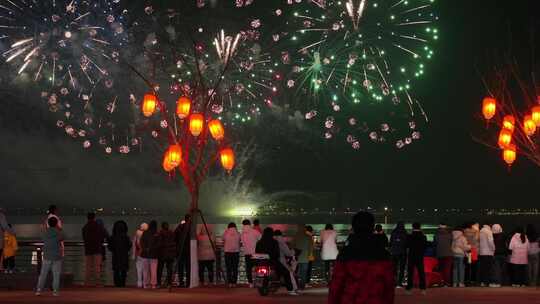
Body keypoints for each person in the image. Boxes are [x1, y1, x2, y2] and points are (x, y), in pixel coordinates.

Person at [328, 212, 394, 304]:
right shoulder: (383, 254)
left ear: (353, 227)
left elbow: (336, 285)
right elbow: (389, 286)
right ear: (373, 227)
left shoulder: (345, 253)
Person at [256, 227, 297, 296]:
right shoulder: (274, 242)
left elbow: (256, 252)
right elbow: (277, 254)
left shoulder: (259, 242)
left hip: (261, 263)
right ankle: (290, 290)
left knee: (265, 275)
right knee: (286, 272)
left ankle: (265, 287)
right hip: (272, 262)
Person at [35, 217, 64, 296]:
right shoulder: (59, 232)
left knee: (43, 274)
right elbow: (63, 237)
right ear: (56, 223)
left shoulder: (44, 232)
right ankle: (55, 291)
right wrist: (59, 228)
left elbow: (42, 237)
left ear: (48, 223)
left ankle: (39, 290)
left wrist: (45, 227)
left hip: (47, 255)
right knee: (56, 275)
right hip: (57, 256)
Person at [82, 212, 107, 287]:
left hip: (88, 249)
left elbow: (84, 238)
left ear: (87, 218)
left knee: (88, 267)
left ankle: (87, 282)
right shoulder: (98, 227)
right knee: (97, 267)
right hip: (97, 248)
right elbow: (105, 234)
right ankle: (97, 283)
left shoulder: (85, 227)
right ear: (94, 217)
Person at [108, 220, 131, 287]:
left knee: (116, 271)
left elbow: (110, 247)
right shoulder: (126, 237)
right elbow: (129, 246)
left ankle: (117, 284)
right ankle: (122, 284)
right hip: (124, 256)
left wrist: (114, 250)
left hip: (115, 256)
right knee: (124, 271)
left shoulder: (112, 237)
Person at [406, 222, 427, 295]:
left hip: (411, 255)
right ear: (420, 227)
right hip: (420, 255)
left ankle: (409, 288)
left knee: (410, 273)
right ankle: (423, 289)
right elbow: (425, 246)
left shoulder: (409, 236)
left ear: (412, 227)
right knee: (421, 272)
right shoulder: (423, 236)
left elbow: (407, 245)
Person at [241, 219, 261, 287]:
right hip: (255, 253)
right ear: (250, 224)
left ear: (243, 225)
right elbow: (261, 238)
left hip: (247, 253)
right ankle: (258, 281)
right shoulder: (254, 231)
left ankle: (250, 283)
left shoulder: (242, 233)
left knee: (248, 269)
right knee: (257, 267)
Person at [157, 222, 176, 288]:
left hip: (162, 253)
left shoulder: (160, 233)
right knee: (169, 270)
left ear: (162, 227)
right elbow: (174, 241)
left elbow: (159, 243)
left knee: (160, 269)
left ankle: (159, 283)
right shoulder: (171, 233)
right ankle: (169, 283)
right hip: (170, 253)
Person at [140, 220, 159, 289]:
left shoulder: (145, 233)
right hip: (154, 255)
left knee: (145, 270)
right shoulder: (157, 233)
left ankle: (145, 284)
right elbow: (158, 244)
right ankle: (153, 284)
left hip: (144, 254)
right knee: (153, 270)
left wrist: (146, 249)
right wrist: (152, 249)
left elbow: (141, 242)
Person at [174, 214, 191, 287]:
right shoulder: (191, 227)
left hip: (180, 249)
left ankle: (181, 282)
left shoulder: (180, 226)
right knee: (188, 267)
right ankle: (188, 283)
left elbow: (174, 236)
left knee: (180, 267)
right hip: (188, 250)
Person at [390, 222, 408, 287]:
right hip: (402, 253)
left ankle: (394, 282)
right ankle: (400, 282)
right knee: (402, 268)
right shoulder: (405, 232)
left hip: (394, 253)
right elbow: (407, 243)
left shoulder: (393, 232)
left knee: (394, 268)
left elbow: (391, 242)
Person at [223, 222, 241, 287]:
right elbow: (240, 240)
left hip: (227, 252)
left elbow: (223, 239)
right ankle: (234, 283)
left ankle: (230, 283)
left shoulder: (226, 232)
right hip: (236, 252)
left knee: (229, 268)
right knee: (235, 268)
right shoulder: (238, 233)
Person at [294, 225, 311, 289]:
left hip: (297, 257)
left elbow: (293, 245)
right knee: (304, 273)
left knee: (297, 272)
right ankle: (302, 286)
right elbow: (310, 248)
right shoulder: (308, 237)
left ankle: (297, 285)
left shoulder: (296, 236)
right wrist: (309, 255)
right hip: (305, 257)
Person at [133, 222, 148, 288]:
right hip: (145, 253)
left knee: (139, 269)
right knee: (145, 269)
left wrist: (133, 254)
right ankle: (145, 284)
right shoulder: (147, 234)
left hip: (138, 253)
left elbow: (134, 244)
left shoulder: (137, 233)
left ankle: (139, 283)